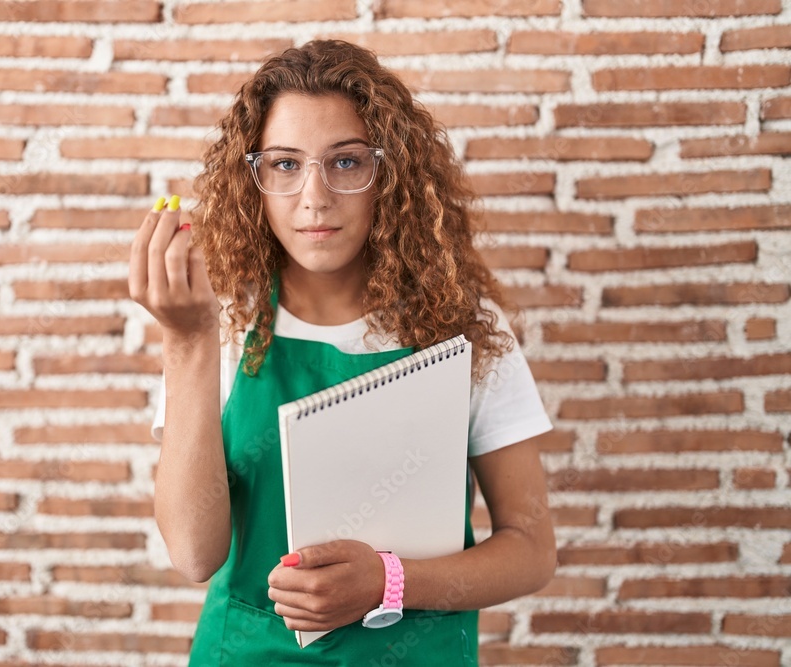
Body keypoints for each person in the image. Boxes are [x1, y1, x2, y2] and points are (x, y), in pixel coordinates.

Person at [129, 39, 556, 666]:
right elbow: (195, 554)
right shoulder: (221, 323)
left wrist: (388, 581)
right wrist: (186, 340)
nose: (314, 197)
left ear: (393, 172)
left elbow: (531, 549)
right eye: (284, 165)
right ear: (253, 178)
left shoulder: (464, 328)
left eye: (347, 162)